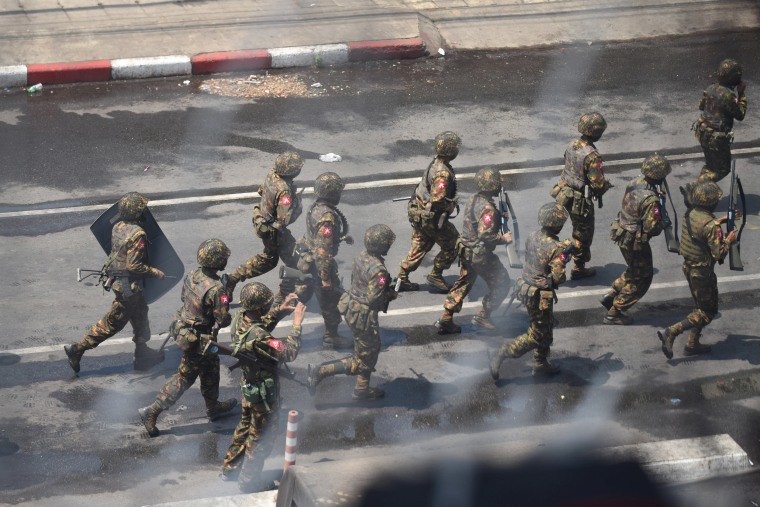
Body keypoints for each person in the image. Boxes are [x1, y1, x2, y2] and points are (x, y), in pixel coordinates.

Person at [138, 239, 237, 437]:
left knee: (211, 369)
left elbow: (185, 300)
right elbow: (223, 320)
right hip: (199, 340)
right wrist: (226, 293)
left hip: (186, 330)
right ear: (217, 260)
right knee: (184, 378)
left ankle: (213, 406)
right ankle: (152, 411)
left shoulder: (192, 275)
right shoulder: (217, 289)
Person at [64, 192, 165, 373]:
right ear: (136, 213)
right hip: (128, 288)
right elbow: (134, 265)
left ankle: (143, 353)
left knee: (141, 312)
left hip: (121, 282)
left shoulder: (118, 226)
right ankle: (77, 349)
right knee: (112, 324)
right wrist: (155, 272)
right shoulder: (138, 234)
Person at [221, 283, 305, 492]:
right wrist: (296, 324)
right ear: (259, 308)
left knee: (244, 427)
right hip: (263, 396)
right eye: (268, 305)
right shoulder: (260, 337)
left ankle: (230, 468)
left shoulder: (241, 318)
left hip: (249, 386)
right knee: (260, 439)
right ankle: (249, 482)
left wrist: (278, 311)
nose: (270, 306)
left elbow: (259, 326)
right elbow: (288, 352)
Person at [308, 224, 398, 400]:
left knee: (369, 351)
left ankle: (362, 388)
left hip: (352, 307)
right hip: (363, 315)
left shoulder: (362, 256)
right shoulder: (379, 270)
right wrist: (389, 293)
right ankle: (322, 371)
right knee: (364, 358)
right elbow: (373, 299)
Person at [489, 203, 572, 379]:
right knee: (536, 335)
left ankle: (541, 363)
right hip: (539, 296)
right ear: (557, 224)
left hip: (526, 288)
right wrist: (563, 259)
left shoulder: (533, 235)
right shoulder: (556, 249)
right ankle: (505, 351)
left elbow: (539, 256)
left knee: (546, 327)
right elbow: (558, 278)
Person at [657, 182, 737, 359]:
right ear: (710, 203)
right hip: (702, 273)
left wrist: (719, 220)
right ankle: (671, 331)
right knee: (708, 312)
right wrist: (729, 239)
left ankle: (692, 343)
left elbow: (701, 229)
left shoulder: (691, 213)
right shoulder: (710, 226)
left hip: (689, 268)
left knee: (700, 307)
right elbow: (718, 253)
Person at [435, 168, 512, 334]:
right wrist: (503, 239)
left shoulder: (474, 199)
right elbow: (486, 235)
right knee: (503, 282)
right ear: (493, 186)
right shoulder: (488, 209)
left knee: (463, 283)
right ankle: (484, 316)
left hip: (466, 251)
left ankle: (446, 317)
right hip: (480, 255)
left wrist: (499, 215)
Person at [226, 152, 304, 304]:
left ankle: (232, 278)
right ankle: (283, 296)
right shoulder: (285, 191)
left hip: (263, 220)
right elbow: (285, 219)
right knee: (296, 261)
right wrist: (298, 202)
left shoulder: (272, 174)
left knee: (270, 259)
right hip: (275, 231)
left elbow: (261, 191)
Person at [602, 154, 672, 325]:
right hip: (635, 242)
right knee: (642, 278)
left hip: (622, 233)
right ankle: (615, 311)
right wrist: (663, 222)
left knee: (634, 269)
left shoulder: (634, 183)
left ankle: (613, 294)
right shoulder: (651, 200)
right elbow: (651, 228)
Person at [396, 131, 461, 293]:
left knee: (419, 247)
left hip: (419, 214)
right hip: (431, 218)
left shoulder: (435, 163)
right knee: (454, 244)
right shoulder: (442, 173)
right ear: (451, 151)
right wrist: (450, 206)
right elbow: (438, 199)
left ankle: (401, 279)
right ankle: (436, 275)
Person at [293, 172, 352, 349]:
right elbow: (323, 251)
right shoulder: (327, 217)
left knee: (299, 296)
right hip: (318, 268)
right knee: (330, 302)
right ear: (332, 193)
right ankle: (331, 336)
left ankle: (267, 320)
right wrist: (325, 277)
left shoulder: (316, 208)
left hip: (308, 263)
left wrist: (340, 238)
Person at [550, 113, 612, 280]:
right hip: (579, 201)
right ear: (596, 132)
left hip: (563, 193)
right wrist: (606, 185)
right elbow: (597, 184)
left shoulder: (572, 144)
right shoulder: (592, 155)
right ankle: (575, 266)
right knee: (582, 236)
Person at [682, 59, 748, 205]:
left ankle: (698, 196)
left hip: (703, 133)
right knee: (722, 169)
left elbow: (701, 106)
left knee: (710, 166)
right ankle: (693, 187)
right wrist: (741, 94)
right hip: (717, 138)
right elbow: (740, 114)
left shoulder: (710, 88)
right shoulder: (729, 95)